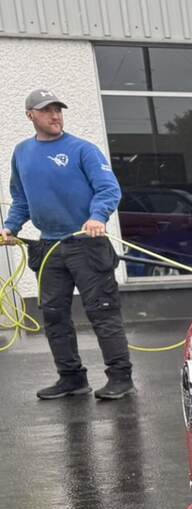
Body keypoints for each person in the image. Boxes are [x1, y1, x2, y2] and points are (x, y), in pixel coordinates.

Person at [1, 88, 132, 400]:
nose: (55, 115)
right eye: (47, 110)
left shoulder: (82, 149)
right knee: (55, 315)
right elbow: (21, 199)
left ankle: (120, 377)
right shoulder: (22, 153)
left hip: (86, 243)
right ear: (30, 114)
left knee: (102, 312)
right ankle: (71, 378)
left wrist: (97, 216)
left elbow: (108, 189)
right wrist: (10, 227)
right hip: (48, 249)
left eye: (58, 109)